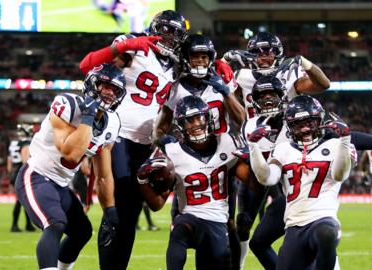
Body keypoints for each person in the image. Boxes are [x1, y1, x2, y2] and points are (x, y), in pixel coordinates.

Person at [79, 10, 234, 269]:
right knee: (117, 208)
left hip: (145, 143)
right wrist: (123, 45)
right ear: (154, 29)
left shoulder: (176, 64)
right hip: (117, 134)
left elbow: (200, 59)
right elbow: (86, 65)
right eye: (165, 31)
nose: (169, 38)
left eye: (175, 34)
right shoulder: (135, 47)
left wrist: (219, 64)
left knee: (131, 213)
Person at [234, 77, 372, 270]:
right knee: (258, 242)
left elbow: (349, 141)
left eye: (272, 96)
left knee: (324, 234)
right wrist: (252, 150)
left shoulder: (316, 131)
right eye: (262, 96)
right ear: (252, 99)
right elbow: (263, 175)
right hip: (288, 193)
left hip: (310, 199)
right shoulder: (251, 128)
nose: (268, 101)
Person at [223, 32, 331, 269]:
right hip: (258, 155)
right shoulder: (243, 76)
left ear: (278, 52)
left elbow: (323, 84)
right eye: (258, 51)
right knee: (243, 221)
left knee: (300, 217)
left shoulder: (289, 73)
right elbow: (222, 91)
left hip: (287, 154)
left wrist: (306, 63)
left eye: (268, 50)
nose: (263, 56)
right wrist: (226, 61)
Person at [14, 64, 126, 270]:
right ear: (93, 84)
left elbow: (103, 175)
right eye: (105, 86)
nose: (110, 93)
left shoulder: (112, 123)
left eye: (115, 90)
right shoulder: (68, 104)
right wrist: (88, 118)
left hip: (61, 185)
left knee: (82, 231)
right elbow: (71, 155)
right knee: (55, 223)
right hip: (37, 175)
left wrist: (109, 210)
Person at [138, 96, 257, 270]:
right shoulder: (171, 152)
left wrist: (253, 160)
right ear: (180, 126)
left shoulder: (227, 143)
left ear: (208, 119)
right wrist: (142, 180)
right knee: (179, 230)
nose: (196, 124)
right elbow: (156, 205)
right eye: (189, 121)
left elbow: (256, 184)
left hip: (217, 221)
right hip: (190, 217)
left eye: (199, 118)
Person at [247, 95, 355, 270]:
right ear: (289, 126)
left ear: (319, 121)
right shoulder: (283, 149)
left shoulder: (336, 144)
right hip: (294, 226)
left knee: (327, 234)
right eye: (298, 124)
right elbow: (267, 178)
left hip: (322, 219)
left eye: (309, 122)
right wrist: (253, 146)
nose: (305, 128)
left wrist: (345, 140)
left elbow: (339, 175)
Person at [8, 123, 35, 232]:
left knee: (24, 200)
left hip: (14, 171)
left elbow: (9, 161)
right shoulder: (25, 143)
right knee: (21, 201)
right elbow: (25, 160)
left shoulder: (13, 143)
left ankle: (28, 225)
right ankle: (15, 225)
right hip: (21, 172)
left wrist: (11, 175)